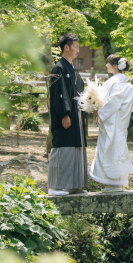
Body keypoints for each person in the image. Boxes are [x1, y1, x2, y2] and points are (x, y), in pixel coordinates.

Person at [47, 33, 87, 196]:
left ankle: (73, 185)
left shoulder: (73, 69)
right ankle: (54, 186)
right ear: (66, 47)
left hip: (76, 117)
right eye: (76, 47)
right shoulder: (59, 68)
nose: (78, 50)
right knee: (62, 147)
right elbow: (59, 93)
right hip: (66, 116)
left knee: (75, 148)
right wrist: (64, 114)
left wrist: (83, 114)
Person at [88, 55, 133, 192]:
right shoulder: (122, 83)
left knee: (112, 151)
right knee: (114, 151)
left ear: (115, 66)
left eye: (108, 63)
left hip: (114, 123)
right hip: (116, 123)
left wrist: (98, 111)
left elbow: (113, 102)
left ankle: (114, 183)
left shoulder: (118, 83)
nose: (106, 65)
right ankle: (115, 183)